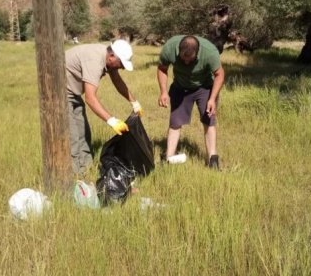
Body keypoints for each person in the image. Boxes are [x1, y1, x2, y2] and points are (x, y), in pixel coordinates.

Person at [65, 39, 143, 174]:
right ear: (112, 57)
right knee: (73, 137)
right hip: (61, 94)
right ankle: (74, 174)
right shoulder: (94, 61)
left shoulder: (107, 57)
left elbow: (117, 81)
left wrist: (134, 102)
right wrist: (111, 121)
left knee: (83, 133)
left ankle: (86, 169)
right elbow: (90, 98)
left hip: (73, 93)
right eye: (121, 64)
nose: (122, 67)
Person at [157, 35, 225, 169]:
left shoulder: (209, 52)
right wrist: (163, 91)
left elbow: (219, 74)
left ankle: (212, 159)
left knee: (208, 119)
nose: (187, 63)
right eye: (183, 59)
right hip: (180, 87)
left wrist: (212, 99)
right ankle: (169, 158)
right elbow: (162, 69)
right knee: (175, 122)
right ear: (179, 51)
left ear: (197, 52)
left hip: (204, 87)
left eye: (191, 60)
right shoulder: (170, 47)